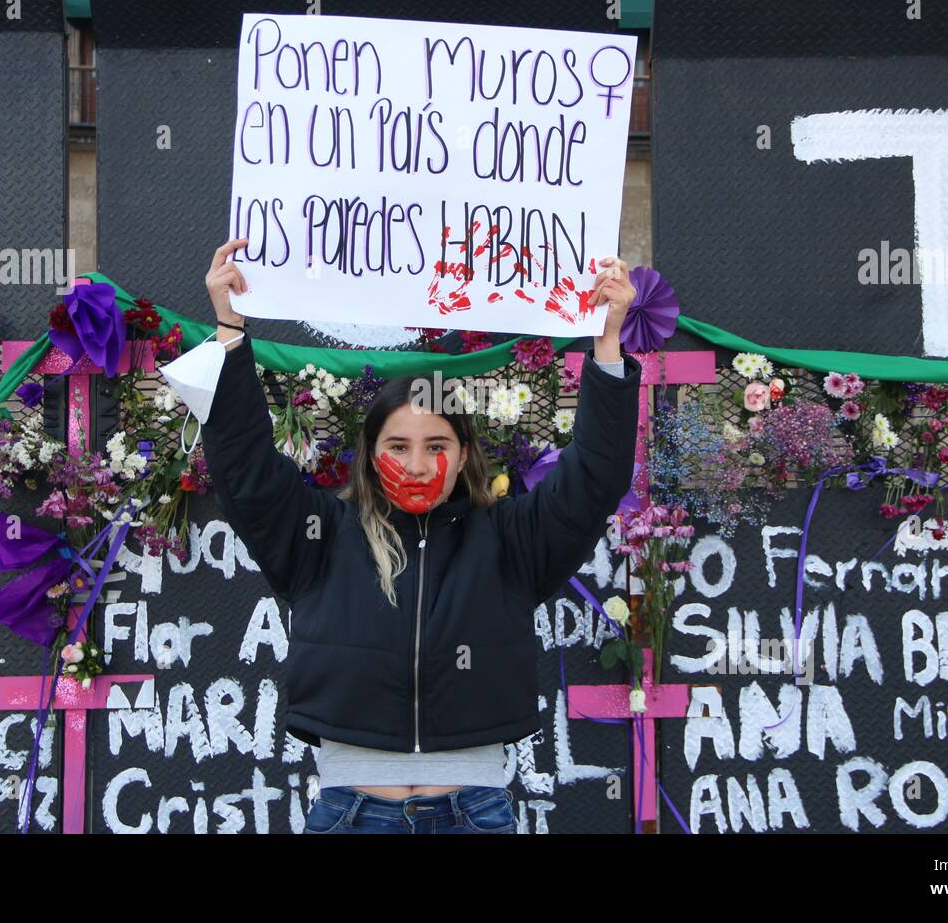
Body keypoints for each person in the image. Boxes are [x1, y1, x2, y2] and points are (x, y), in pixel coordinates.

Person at [199, 237, 642, 833]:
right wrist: (229, 328)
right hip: (349, 814)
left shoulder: (512, 539)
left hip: (473, 812)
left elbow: (594, 479)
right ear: (370, 454)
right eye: (398, 447)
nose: (415, 466)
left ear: (463, 458)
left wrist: (607, 343)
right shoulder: (320, 535)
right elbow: (244, 468)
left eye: (437, 447)